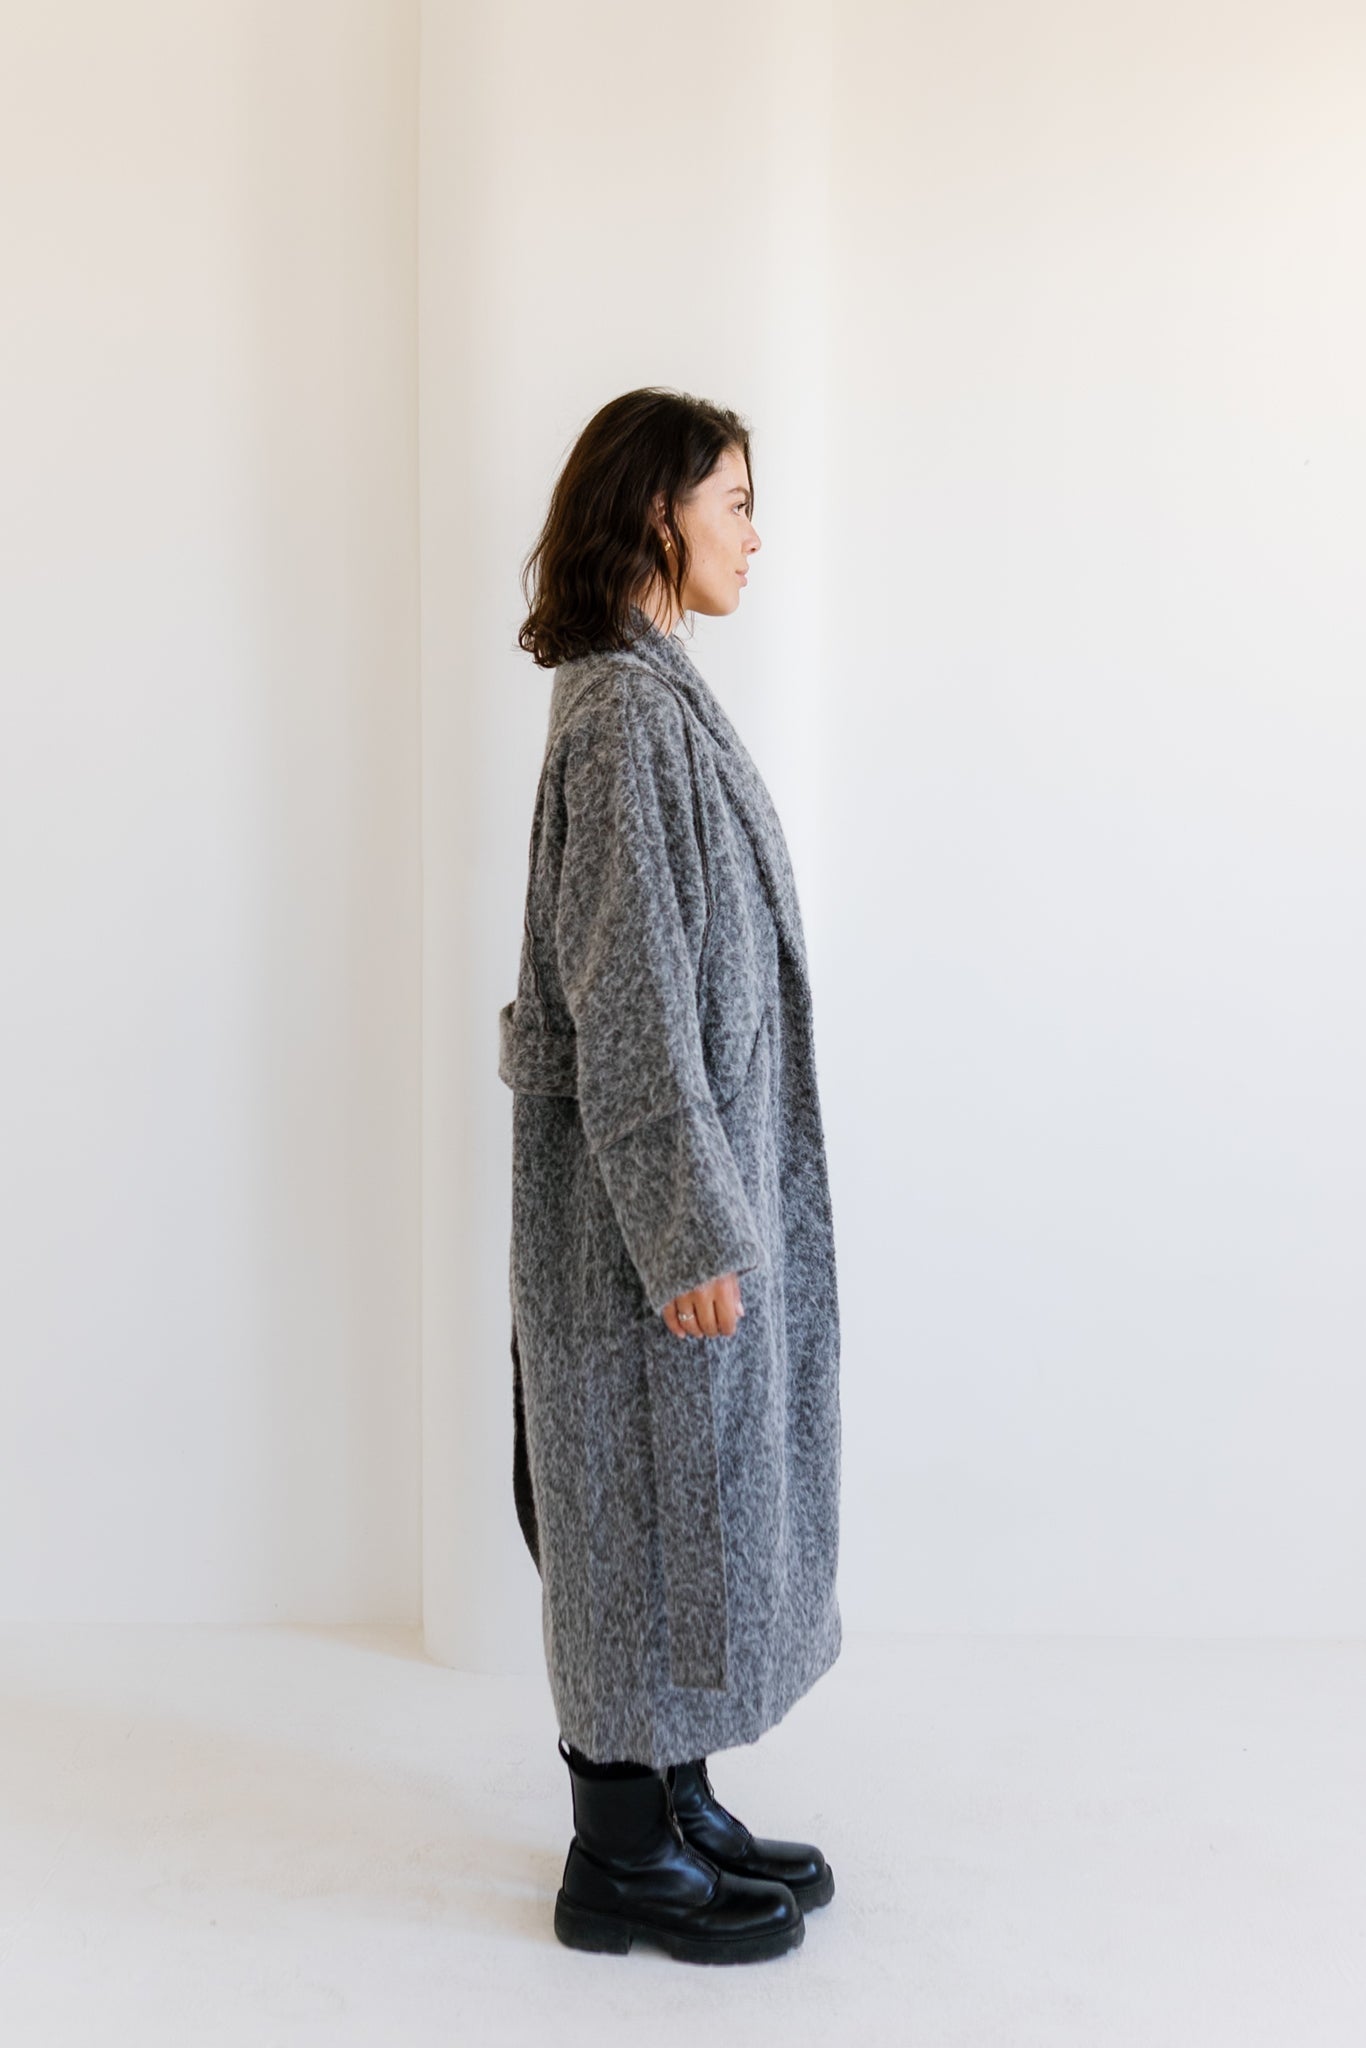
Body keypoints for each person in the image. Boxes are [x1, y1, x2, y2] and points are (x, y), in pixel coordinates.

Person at [498, 387, 842, 1964]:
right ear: (658, 513)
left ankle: (673, 1794)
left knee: (672, 1500)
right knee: (634, 1504)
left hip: (672, 1191)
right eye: (735, 503)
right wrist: (687, 1226)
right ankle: (618, 1856)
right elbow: (629, 993)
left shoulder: (648, 696)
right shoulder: (627, 721)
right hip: (642, 1217)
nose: (756, 537)